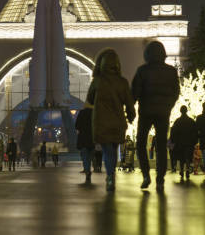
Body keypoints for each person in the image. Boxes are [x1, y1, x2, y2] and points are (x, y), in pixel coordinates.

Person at [131, 41, 180, 191]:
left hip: (145, 111)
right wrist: (168, 106)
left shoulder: (142, 71)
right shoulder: (171, 71)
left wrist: (130, 109)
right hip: (163, 113)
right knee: (160, 146)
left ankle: (146, 175)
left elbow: (134, 92)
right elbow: (176, 92)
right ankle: (160, 178)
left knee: (140, 144)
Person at [87, 48, 136, 191]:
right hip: (118, 121)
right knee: (113, 150)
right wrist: (131, 115)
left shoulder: (98, 81)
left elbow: (90, 99)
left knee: (107, 150)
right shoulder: (122, 82)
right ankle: (111, 173)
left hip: (101, 121)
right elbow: (129, 102)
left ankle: (110, 175)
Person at [170, 106, 198, 181]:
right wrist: (194, 141)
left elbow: (173, 132)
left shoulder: (177, 121)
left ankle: (182, 170)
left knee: (181, 157)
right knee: (188, 157)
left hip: (180, 143)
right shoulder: (191, 121)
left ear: (180, 111)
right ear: (186, 111)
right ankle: (187, 170)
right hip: (189, 143)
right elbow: (195, 132)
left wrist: (172, 142)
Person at [75, 103, 94, 184]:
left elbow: (77, 126)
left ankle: (87, 170)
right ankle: (88, 169)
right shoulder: (94, 113)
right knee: (89, 156)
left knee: (84, 155)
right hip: (91, 138)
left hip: (83, 138)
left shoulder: (81, 113)